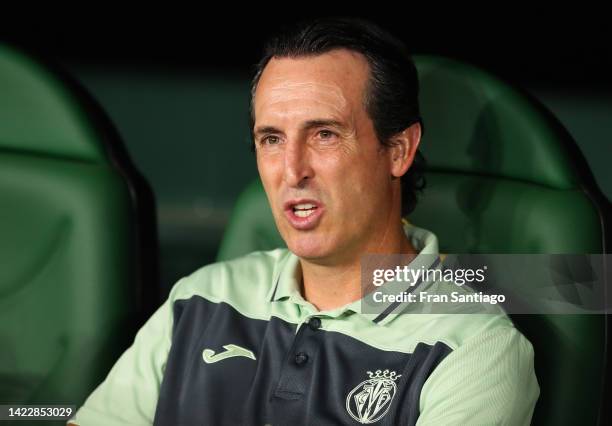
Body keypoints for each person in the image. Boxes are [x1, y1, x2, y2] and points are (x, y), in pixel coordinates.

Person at [69, 17, 539, 425]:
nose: (292, 170)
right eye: (271, 138)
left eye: (325, 134)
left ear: (398, 150)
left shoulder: (475, 349)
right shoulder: (199, 297)